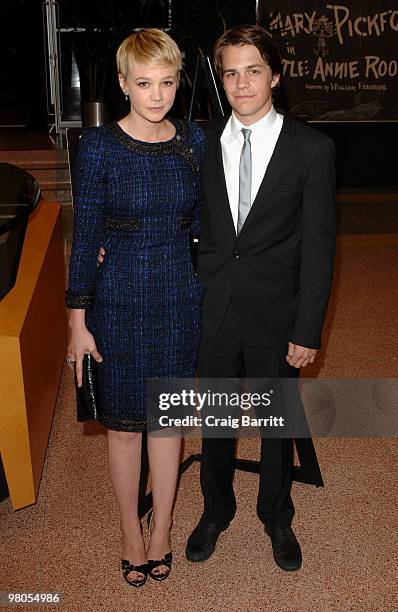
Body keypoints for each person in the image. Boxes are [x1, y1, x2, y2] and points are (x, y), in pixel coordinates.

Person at [185, 24, 336, 572]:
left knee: (275, 421)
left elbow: (320, 249)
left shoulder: (312, 149)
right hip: (215, 307)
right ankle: (215, 510)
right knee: (218, 417)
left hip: (278, 311)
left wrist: (307, 330)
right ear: (221, 80)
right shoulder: (198, 142)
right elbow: (182, 218)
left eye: (254, 71)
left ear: (275, 75)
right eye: (231, 72)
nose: (242, 83)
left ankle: (276, 512)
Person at [66, 29, 204, 587]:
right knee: (124, 428)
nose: (156, 95)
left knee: (167, 424)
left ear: (178, 81)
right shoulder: (98, 146)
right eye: (144, 83)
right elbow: (85, 235)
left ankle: (164, 528)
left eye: (167, 82)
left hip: (178, 296)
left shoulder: (194, 139)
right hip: (118, 297)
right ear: (123, 83)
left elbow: (204, 224)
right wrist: (77, 321)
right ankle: (130, 530)